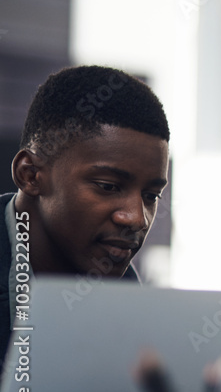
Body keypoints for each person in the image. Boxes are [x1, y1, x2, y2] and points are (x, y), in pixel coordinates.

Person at [2, 65, 170, 367]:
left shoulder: (128, 301)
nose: (136, 218)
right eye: (108, 186)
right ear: (30, 175)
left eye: (151, 196)